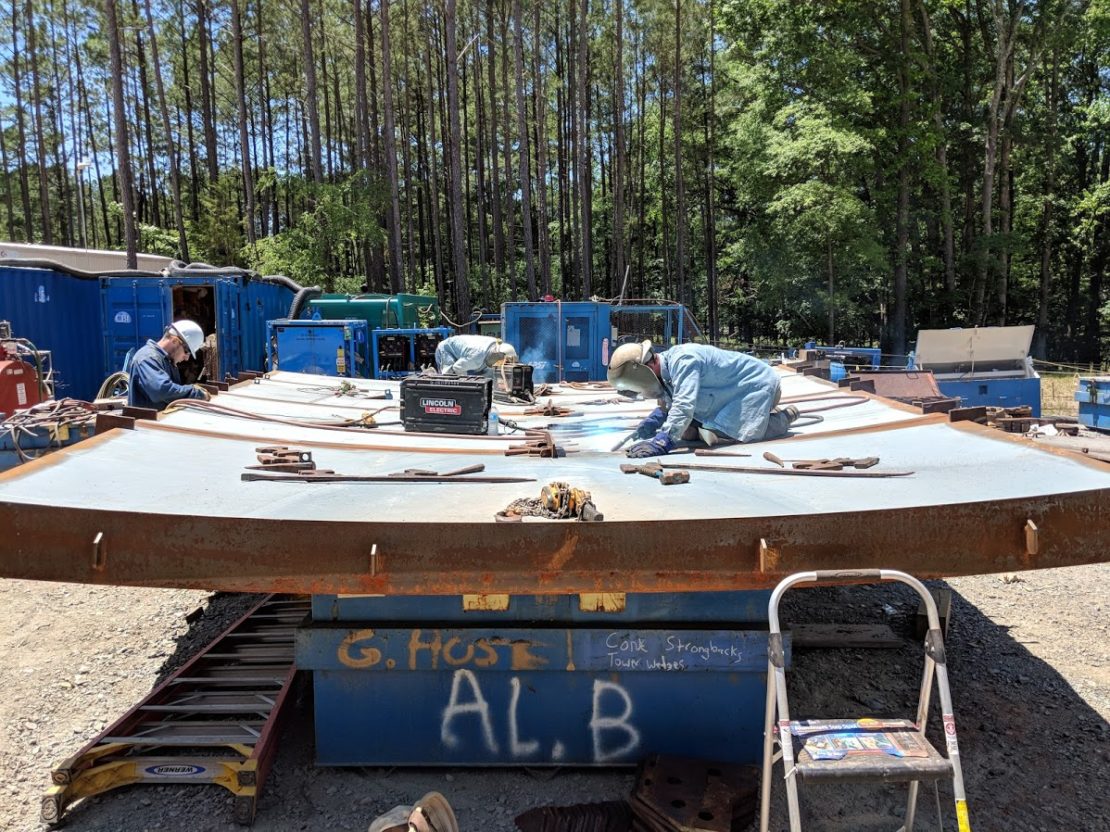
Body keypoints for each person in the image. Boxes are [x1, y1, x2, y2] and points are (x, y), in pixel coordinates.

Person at [607, 340, 799, 458]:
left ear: (643, 371)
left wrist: (661, 442)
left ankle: (782, 419)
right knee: (687, 433)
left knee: (731, 434)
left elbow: (684, 403)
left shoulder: (684, 360)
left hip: (758, 385)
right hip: (729, 392)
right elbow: (671, 402)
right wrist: (656, 419)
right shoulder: (664, 372)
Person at [128, 320, 212, 411]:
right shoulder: (147, 358)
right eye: (186, 351)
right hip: (145, 423)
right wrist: (194, 393)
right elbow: (161, 391)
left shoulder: (168, 360)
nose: (186, 358)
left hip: (162, 418)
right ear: (175, 341)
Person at [434, 334, 518, 376]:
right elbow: (457, 368)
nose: (502, 364)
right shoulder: (476, 356)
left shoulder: (495, 345)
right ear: (498, 355)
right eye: (503, 361)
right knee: (449, 378)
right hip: (446, 350)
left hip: (466, 353)